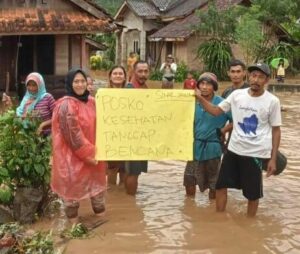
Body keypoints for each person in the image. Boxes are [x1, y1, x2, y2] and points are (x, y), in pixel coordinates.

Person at [195, 63, 281, 217]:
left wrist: (273, 159)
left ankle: (250, 224)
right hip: (233, 150)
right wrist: (200, 99)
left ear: (267, 80)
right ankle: (219, 219)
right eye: (254, 75)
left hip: (255, 153)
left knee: (253, 194)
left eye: (261, 77)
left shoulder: (272, 101)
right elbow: (216, 111)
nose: (256, 79)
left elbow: (276, 130)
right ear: (249, 77)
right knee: (221, 186)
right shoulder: (236, 96)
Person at [51, 68, 106, 223]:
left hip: (94, 156)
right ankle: (73, 235)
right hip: (72, 159)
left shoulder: (93, 102)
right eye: (76, 81)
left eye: (83, 81)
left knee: (98, 199)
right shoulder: (66, 105)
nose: (80, 84)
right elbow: (73, 136)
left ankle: (103, 233)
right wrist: (88, 155)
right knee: (72, 201)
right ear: (70, 83)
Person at [184, 72, 231, 199]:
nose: (204, 87)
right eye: (202, 84)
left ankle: (213, 208)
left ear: (214, 87)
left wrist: (223, 130)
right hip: (195, 147)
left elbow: (236, 121)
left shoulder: (222, 103)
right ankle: (190, 209)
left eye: (208, 84)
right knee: (189, 180)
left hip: (213, 147)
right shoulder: (192, 102)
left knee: (214, 183)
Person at [125, 61, 150, 195]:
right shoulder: (129, 89)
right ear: (134, 72)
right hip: (131, 138)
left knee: (135, 172)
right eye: (140, 71)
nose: (143, 74)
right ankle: (131, 202)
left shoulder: (146, 88)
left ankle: (127, 200)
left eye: (146, 71)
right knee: (133, 172)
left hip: (142, 137)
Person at [106, 66, 127, 185]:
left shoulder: (132, 95)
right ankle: (112, 197)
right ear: (110, 77)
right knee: (112, 168)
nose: (118, 76)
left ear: (124, 77)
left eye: (120, 73)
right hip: (111, 137)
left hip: (127, 137)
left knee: (125, 168)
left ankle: (122, 198)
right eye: (115, 73)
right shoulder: (103, 95)